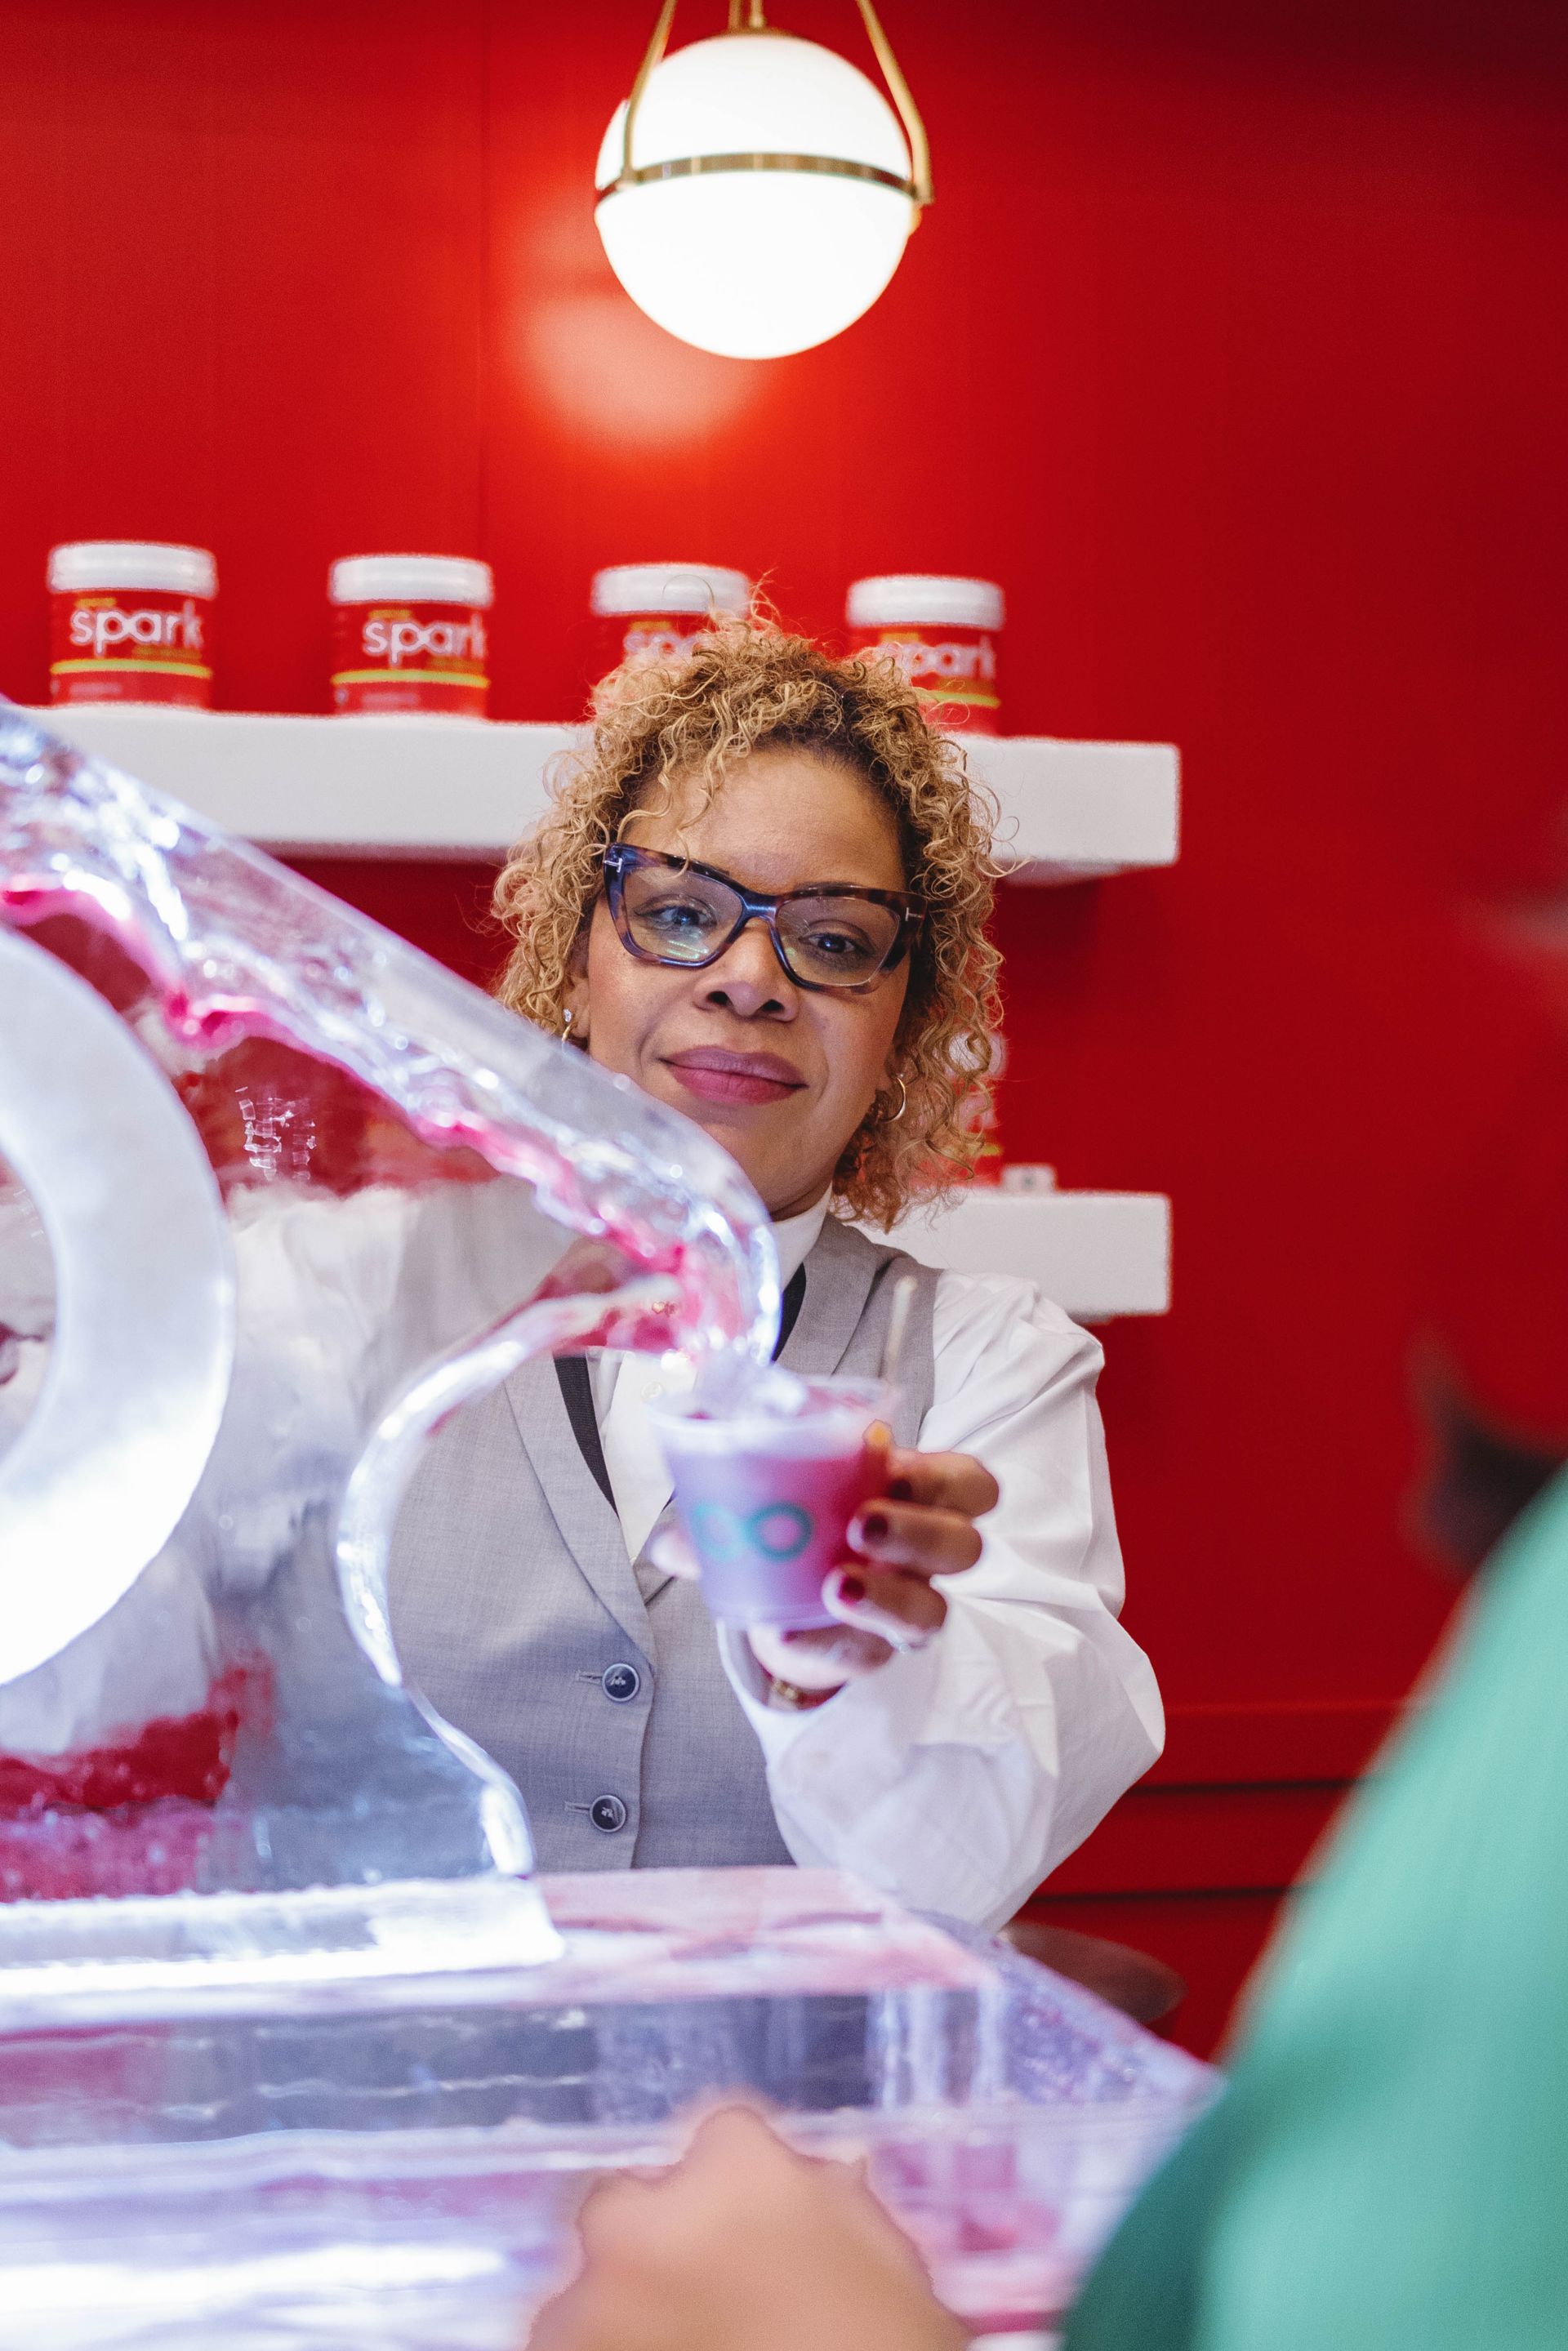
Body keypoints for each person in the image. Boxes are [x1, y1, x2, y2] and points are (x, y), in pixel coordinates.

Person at [390, 627, 1161, 1927]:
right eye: (682, 915)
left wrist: (849, 1662)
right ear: (581, 960)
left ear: (902, 1026)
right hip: (395, 2118)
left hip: (795, 2126)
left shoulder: (989, 1362)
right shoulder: (352, 1301)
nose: (751, 981)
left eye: (837, 940)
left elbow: (972, 1861)